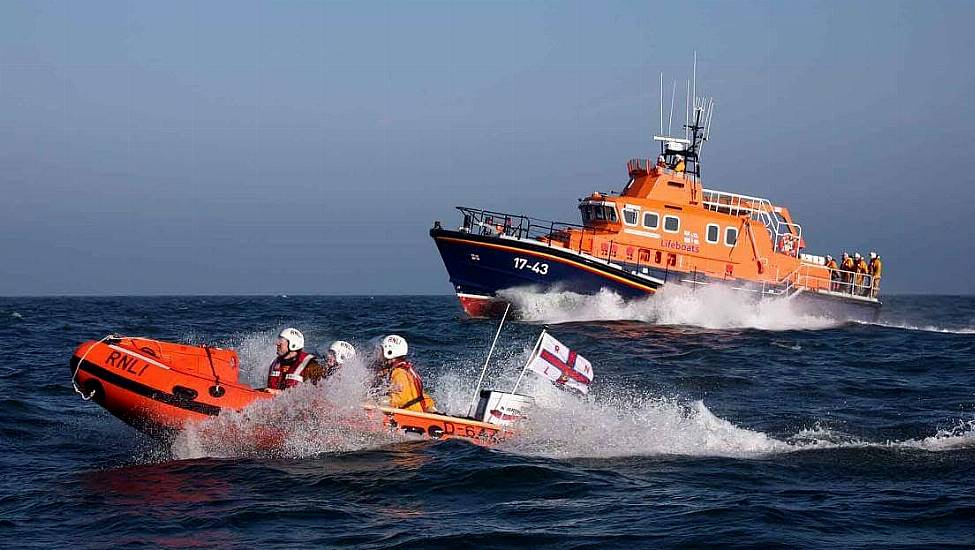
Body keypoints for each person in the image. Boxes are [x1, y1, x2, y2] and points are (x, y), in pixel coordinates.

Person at [374, 335, 436, 413]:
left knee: (380, 400)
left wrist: (377, 403)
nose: (380, 354)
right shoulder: (406, 369)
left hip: (410, 415)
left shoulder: (399, 373)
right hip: (417, 409)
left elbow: (401, 399)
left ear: (389, 352)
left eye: (382, 350)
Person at [265, 328, 324, 394]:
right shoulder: (275, 364)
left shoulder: (311, 365)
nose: (277, 344)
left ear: (293, 345)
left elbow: (317, 394)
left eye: (280, 341)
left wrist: (279, 393)